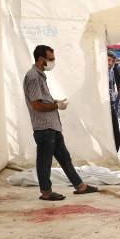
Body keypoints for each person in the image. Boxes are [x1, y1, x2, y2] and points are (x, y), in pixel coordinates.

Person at [23, 45, 98, 201]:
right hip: (44, 128)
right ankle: (46, 192)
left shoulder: (40, 75)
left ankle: (80, 186)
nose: (53, 62)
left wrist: (55, 102)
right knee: (44, 161)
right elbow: (36, 105)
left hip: (52, 126)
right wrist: (56, 106)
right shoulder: (33, 77)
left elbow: (42, 100)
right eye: (50, 59)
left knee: (65, 158)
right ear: (41, 59)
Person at [107, 50, 120, 151]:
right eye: (108, 60)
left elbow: (113, 85)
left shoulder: (111, 71)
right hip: (101, 105)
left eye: (112, 61)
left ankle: (114, 153)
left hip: (110, 104)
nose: (110, 63)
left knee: (116, 133)